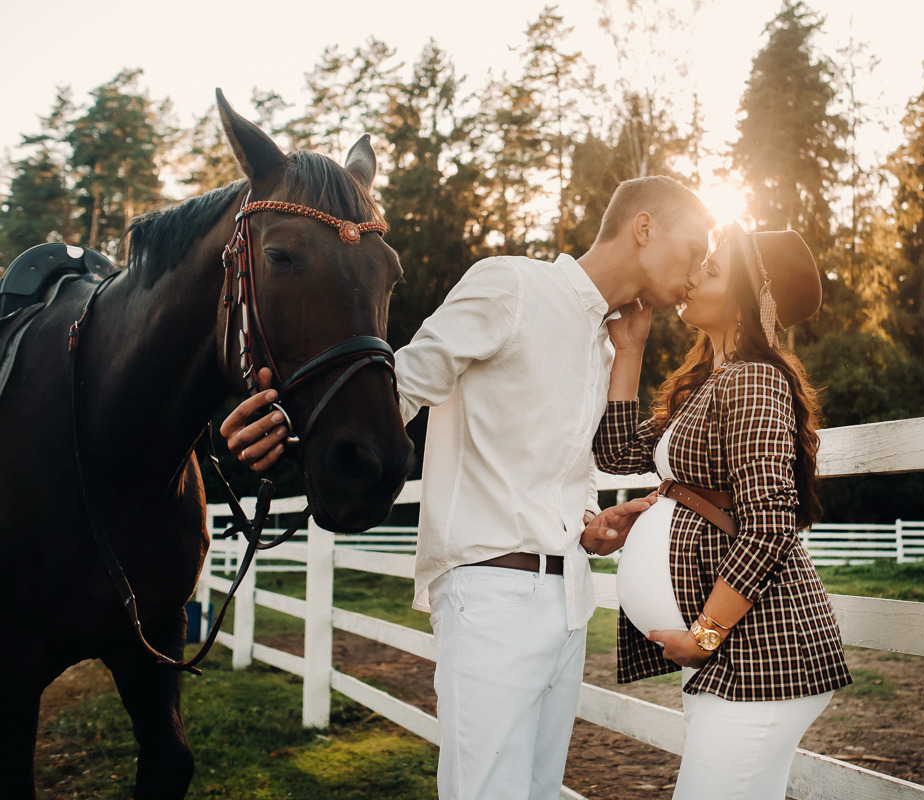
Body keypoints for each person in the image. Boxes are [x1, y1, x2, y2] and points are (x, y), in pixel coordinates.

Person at [221, 176, 716, 800]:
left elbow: (558, 464)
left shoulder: (604, 338)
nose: (700, 266)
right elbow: (399, 387)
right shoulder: (511, 285)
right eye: (695, 245)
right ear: (644, 228)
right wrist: (288, 430)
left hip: (567, 603)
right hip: (491, 594)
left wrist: (590, 521)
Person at [591, 221, 852, 800]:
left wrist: (706, 634)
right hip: (731, 655)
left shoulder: (755, 379)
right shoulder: (711, 382)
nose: (690, 279)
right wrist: (629, 348)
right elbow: (615, 453)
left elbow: (769, 522)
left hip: (762, 649)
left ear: (751, 294)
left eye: (710, 271)